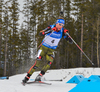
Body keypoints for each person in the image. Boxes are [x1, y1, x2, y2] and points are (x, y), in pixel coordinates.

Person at [22, 17, 73, 84]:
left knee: (50, 62)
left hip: (51, 50)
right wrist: (50, 31)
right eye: (60, 24)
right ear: (56, 23)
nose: (61, 26)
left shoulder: (62, 31)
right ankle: (27, 77)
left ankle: (40, 76)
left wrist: (68, 36)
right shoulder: (50, 27)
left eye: (62, 25)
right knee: (37, 64)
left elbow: (70, 41)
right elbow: (41, 33)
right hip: (43, 48)